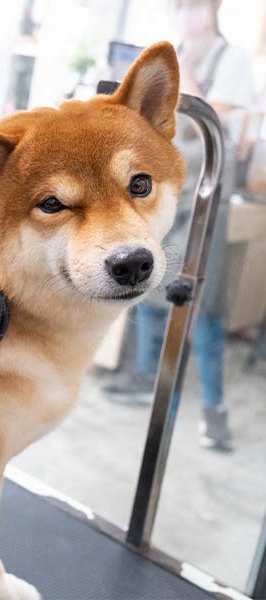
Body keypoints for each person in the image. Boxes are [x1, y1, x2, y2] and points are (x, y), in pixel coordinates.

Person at [104, 0, 255, 451]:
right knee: (152, 292)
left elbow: (216, 112)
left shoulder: (231, 60)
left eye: (197, 9)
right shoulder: (179, 53)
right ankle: (149, 385)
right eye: (182, 9)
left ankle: (214, 410)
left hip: (207, 195)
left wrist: (179, 75)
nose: (189, 18)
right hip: (165, 196)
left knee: (203, 306)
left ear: (214, 11)